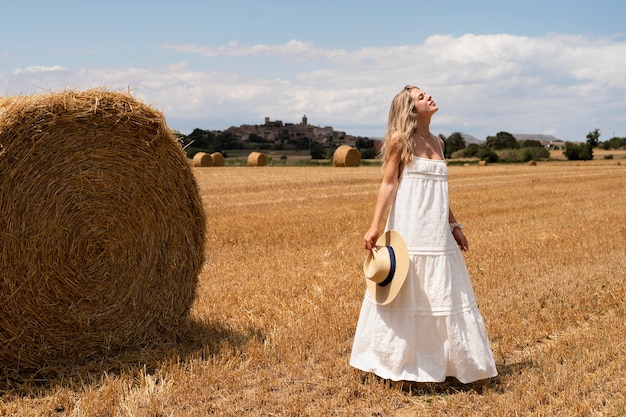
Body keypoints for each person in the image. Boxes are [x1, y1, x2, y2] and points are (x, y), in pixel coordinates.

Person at [349, 85, 498, 384]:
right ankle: (393, 364)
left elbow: (440, 192)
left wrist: (453, 226)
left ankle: (441, 363)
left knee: (440, 292)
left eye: (425, 94)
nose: (428, 97)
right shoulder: (399, 140)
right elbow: (388, 183)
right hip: (409, 227)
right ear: (411, 109)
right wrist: (375, 225)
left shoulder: (439, 143)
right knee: (408, 292)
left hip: (436, 232)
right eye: (420, 97)